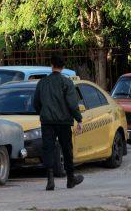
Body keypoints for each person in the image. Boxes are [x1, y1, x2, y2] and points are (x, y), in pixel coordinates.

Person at [33, 54, 84, 191]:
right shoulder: (67, 82)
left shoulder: (42, 83)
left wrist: (43, 114)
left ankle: (50, 180)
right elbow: (72, 104)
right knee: (67, 149)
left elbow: (36, 103)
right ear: (63, 67)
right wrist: (78, 119)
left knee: (48, 149)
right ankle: (70, 179)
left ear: (51, 65)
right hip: (64, 122)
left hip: (47, 122)